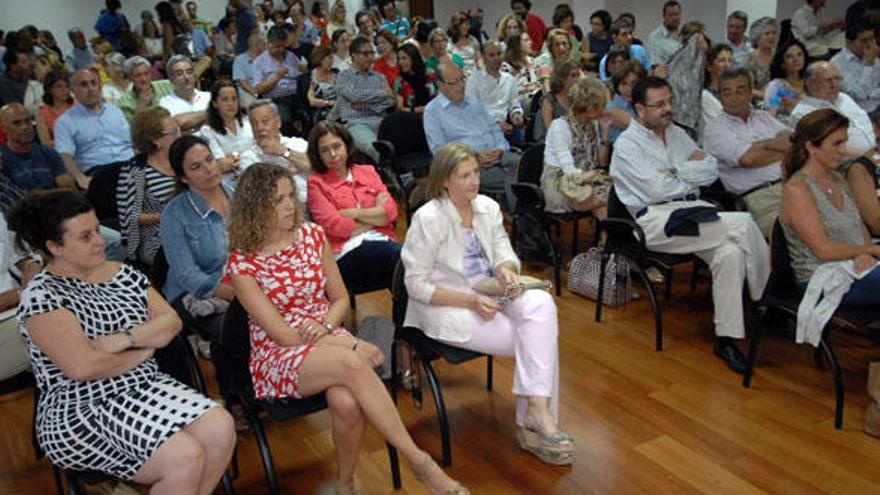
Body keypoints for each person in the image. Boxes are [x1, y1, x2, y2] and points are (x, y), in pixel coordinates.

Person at [226, 162, 467, 495]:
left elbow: (339, 299)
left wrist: (328, 326)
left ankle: (345, 484)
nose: (288, 205)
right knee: (353, 363)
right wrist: (349, 345)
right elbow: (282, 335)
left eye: (289, 196)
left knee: (347, 402)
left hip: (325, 333)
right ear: (255, 208)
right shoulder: (243, 262)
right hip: (278, 354)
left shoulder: (311, 235)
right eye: (276, 200)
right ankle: (421, 463)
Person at [10, 189, 235, 494]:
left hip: (143, 386)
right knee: (184, 457)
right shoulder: (43, 295)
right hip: (82, 407)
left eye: (96, 229)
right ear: (54, 246)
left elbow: (171, 322)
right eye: (85, 236)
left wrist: (125, 339)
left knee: (221, 428)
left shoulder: (121, 272)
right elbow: (83, 368)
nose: (100, 240)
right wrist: (144, 351)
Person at [402, 142, 571, 465]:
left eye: (476, 172)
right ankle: (534, 421)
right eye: (464, 175)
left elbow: (503, 251)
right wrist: (470, 301)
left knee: (542, 307)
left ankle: (536, 410)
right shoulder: (429, 218)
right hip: (448, 304)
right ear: (445, 181)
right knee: (539, 338)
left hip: (491, 290)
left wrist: (506, 270)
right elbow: (416, 285)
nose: (474, 181)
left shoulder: (487, 208)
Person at [609, 76, 770, 374]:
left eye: (669, 101)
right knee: (744, 224)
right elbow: (656, 191)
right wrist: (686, 173)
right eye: (659, 105)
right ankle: (767, 304)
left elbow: (710, 170)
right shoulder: (627, 146)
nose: (668, 109)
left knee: (730, 254)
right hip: (658, 222)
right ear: (639, 110)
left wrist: (674, 170)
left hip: (692, 210)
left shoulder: (677, 134)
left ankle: (726, 339)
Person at [780, 108, 880, 305]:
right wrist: (872, 251)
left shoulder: (836, 177)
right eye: (837, 143)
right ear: (811, 146)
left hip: (855, 266)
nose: (843, 150)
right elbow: (823, 250)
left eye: (844, 141)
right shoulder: (798, 189)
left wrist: (865, 253)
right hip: (821, 277)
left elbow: (860, 228)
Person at [306, 121, 400, 294]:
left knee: (405, 269)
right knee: (402, 260)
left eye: (337, 146)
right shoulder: (316, 183)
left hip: (382, 240)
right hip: (345, 252)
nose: (333, 154)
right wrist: (376, 218)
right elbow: (336, 227)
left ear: (347, 146)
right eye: (325, 150)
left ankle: (404, 316)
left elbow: (392, 212)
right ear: (318, 155)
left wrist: (354, 213)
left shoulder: (367, 171)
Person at [161, 135, 235, 343]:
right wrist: (233, 293)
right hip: (196, 292)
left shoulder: (236, 194)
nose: (208, 169)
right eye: (196, 167)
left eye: (209, 160)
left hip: (242, 281)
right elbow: (187, 275)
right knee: (241, 330)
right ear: (184, 177)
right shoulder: (175, 213)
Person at [704, 67, 792, 237]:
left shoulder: (763, 118)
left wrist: (761, 145)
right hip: (759, 198)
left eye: (740, 91)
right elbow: (748, 159)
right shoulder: (715, 129)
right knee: (798, 228)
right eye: (727, 92)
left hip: (791, 184)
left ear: (751, 93)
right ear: (720, 96)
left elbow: (797, 142)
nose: (733, 98)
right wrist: (781, 148)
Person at [424, 62, 518, 209]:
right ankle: (523, 223)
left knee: (526, 165)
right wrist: (474, 159)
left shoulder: (473, 102)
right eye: (454, 82)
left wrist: (500, 149)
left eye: (462, 79)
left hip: (498, 155)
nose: (460, 85)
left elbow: (494, 130)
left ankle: (522, 219)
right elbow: (440, 153)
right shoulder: (432, 112)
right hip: (469, 166)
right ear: (440, 85)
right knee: (515, 179)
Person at [117, 107, 179, 266]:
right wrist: (167, 216)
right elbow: (130, 217)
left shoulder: (182, 161)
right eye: (173, 133)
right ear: (155, 140)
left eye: (177, 130)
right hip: (157, 238)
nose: (179, 136)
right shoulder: (136, 170)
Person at [541, 76, 611, 217]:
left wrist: (604, 135)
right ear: (590, 110)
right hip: (561, 183)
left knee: (615, 195)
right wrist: (595, 179)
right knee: (607, 198)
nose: (605, 109)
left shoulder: (594, 124)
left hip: (586, 181)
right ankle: (608, 236)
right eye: (603, 106)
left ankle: (605, 238)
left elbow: (600, 163)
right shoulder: (559, 127)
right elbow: (569, 171)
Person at [55, 69, 134, 189]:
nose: (91, 88)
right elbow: (64, 155)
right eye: (84, 84)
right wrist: (80, 178)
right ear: (73, 91)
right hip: (99, 172)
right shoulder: (65, 121)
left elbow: (132, 142)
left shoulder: (115, 111)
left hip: (131, 165)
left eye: (93, 83)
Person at [789, 61, 876, 155]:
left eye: (837, 78)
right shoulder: (803, 113)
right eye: (828, 80)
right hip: (847, 164)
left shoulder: (844, 98)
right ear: (810, 83)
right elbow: (829, 148)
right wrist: (871, 157)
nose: (835, 84)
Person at [334, 35, 395, 162]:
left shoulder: (379, 77)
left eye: (372, 53)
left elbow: (390, 101)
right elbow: (354, 96)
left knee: (401, 140)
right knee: (375, 147)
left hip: (380, 120)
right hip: (356, 122)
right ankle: (392, 176)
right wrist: (381, 93)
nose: (370, 57)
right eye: (365, 53)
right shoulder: (344, 76)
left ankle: (405, 175)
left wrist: (364, 103)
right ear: (354, 55)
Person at [239, 99, 310, 204]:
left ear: (278, 122)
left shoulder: (298, 143)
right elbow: (258, 191)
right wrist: (289, 171)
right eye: (254, 124)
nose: (259, 128)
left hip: (315, 201)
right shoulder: (248, 158)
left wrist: (284, 152)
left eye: (264, 121)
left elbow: (317, 165)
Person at [0, 102, 75, 192]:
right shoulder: (2, 158)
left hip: (56, 203)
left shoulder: (48, 152)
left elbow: (69, 189)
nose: (25, 127)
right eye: (17, 123)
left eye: (28, 121)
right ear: (3, 128)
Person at [465, 41, 523, 141]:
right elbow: (471, 113)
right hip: (484, 129)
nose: (497, 58)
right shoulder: (474, 81)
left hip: (506, 126)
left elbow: (514, 104)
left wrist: (516, 114)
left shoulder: (509, 79)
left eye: (499, 54)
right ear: (483, 57)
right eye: (492, 55)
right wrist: (495, 125)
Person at [198, 80, 253, 174]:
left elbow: (264, 149)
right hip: (231, 179)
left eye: (234, 99)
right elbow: (222, 165)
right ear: (215, 103)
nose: (230, 104)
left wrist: (234, 158)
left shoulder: (249, 121)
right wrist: (251, 155)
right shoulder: (207, 131)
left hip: (258, 171)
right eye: (225, 99)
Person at [829, 21, 880, 113]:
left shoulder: (873, 56)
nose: (870, 45)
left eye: (872, 39)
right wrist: (869, 64)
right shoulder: (836, 64)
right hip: (858, 112)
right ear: (849, 41)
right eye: (864, 41)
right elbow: (860, 94)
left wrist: (871, 95)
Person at [159, 55, 210, 133]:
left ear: (194, 76)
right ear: (171, 79)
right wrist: (211, 113)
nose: (186, 77)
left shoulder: (209, 97)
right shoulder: (165, 103)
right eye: (179, 74)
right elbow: (177, 124)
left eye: (189, 72)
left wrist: (189, 122)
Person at [533, 60, 580, 143]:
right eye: (572, 76)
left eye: (578, 75)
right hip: (549, 144)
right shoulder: (549, 100)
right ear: (562, 78)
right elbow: (549, 129)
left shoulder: (575, 98)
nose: (577, 80)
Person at [116, 56, 174, 121]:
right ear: (130, 78)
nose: (144, 79)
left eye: (146, 74)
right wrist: (141, 106)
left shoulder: (167, 85)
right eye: (138, 76)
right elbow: (132, 129)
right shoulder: (123, 103)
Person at [764, 40, 808, 122]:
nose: (795, 59)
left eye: (799, 55)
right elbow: (770, 116)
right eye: (789, 56)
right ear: (782, 63)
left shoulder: (811, 83)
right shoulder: (777, 86)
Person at [605, 60, 645, 145]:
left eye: (634, 84)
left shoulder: (647, 104)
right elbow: (643, 130)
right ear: (618, 86)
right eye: (624, 84)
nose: (629, 89)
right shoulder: (612, 108)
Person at [35, 69, 75, 148]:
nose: (64, 90)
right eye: (59, 86)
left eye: (67, 86)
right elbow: (46, 142)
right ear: (49, 89)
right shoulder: (42, 113)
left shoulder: (78, 106)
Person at [393, 43, 435, 114]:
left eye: (404, 58)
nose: (400, 62)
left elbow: (439, 95)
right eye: (399, 59)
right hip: (412, 118)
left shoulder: (429, 73)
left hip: (434, 113)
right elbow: (400, 109)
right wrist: (421, 109)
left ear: (413, 58)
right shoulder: (400, 81)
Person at [500, 32, 541, 105]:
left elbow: (539, 81)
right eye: (526, 40)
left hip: (536, 98)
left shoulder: (533, 61)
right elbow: (505, 91)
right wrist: (526, 89)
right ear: (516, 45)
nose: (530, 42)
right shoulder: (507, 67)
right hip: (518, 102)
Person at [742, 17, 779, 97]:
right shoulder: (749, 59)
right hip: (758, 103)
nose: (771, 36)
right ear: (757, 37)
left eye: (774, 33)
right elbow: (746, 88)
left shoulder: (780, 56)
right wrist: (768, 96)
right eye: (767, 34)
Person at [232, 33, 266, 111]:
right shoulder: (239, 60)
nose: (266, 46)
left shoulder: (265, 58)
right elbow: (243, 83)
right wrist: (256, 93)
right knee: (254, 107)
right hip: (247, 92)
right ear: (256, 45)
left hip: (265, 89)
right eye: (263, 44)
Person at [702, 44, 735, 123]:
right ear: (709, 66)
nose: (727, 65)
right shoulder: (705, 97)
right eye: (722, 61)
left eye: (730, 60)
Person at [647, 1, 683, 69]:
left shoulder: (686, 33)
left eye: (677, 14)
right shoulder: (654, 37)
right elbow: (656, 66)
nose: (674, 18)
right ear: (664, 16)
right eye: (670, 15)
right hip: (667, 78)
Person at [448, 11, 482, 77]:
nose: (468, 27)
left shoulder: (473, 40)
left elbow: (479, 58)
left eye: (469, 24)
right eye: (466, 24)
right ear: (457, 26)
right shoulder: (449, 43)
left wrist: (482, 69)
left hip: (474, 75)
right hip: (457, 76)